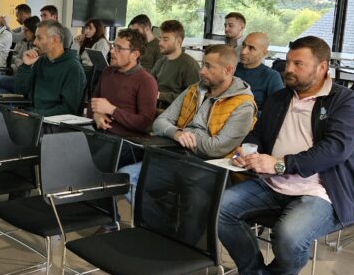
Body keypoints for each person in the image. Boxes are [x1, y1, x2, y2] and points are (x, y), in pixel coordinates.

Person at [217, 36, 354, 275]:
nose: (289, 68)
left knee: (288, 236)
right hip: (273, 183)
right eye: (288, 62)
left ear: (322, 67)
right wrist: (247, 149)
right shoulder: (280, 97)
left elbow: (334, 150)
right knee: (220, 210)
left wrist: (279, 164)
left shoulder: (346, 101)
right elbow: (259, 135)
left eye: (298, 64)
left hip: (323, 190)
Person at [123, 44, 256, 197]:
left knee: (182, 190)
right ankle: (158, 220)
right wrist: (177, 133)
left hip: (210, 167)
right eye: (202, 64)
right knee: (127, 177)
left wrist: (184, 135)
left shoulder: (243, 105)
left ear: (228, 70)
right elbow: (160, 122)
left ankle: (160, 219)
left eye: (208, 66)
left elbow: (216, 148)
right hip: (178, 155)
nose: (201, 71)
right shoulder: (195, 89)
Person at [89, 28, 159, 140]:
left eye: (119, 48)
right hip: (99, 134)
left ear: (135, 55)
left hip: (125, 142)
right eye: (113, 46)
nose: (112, 51)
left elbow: (145, 123)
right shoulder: (108, 71)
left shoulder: (146, 81)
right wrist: (96, 115)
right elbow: (92, 104)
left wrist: (112, 110)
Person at [14, 19, 85, 117]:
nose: (34, 42)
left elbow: (68, 109)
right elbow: (20, 92)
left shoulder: (73, 68)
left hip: (51, 124)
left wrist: (34, 115)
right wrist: (26, 66)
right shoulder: (41, 61)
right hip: (33, 117)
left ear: (54, 40)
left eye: (39, 38)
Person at [151, 19, 202, 108]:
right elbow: (150, 83)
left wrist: (160, 96)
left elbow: (193, 98)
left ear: (178, 41)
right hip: (154, 107)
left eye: (165, 39)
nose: (160, 43)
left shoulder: (190, 66)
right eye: (160, 38)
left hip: (174, 114)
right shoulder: (160, 62)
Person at [235, 32, 284, 112]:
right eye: (243, 45)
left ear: (264, 53)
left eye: (251, 48)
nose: (243, 51)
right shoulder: (231, 68)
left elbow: (278, 109)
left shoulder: (271, 76)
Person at [0, 16, 38, 94]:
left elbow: (26, 65)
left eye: (26, 30)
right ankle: (13, 105)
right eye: (23, 30)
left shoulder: (38, 48)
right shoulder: (24, 42)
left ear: (33, 31)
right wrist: (20, 61)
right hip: (18, 75)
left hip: (26, 81)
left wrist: (20, 61)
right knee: (1, 92)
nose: (24, 33)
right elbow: (16, 58)